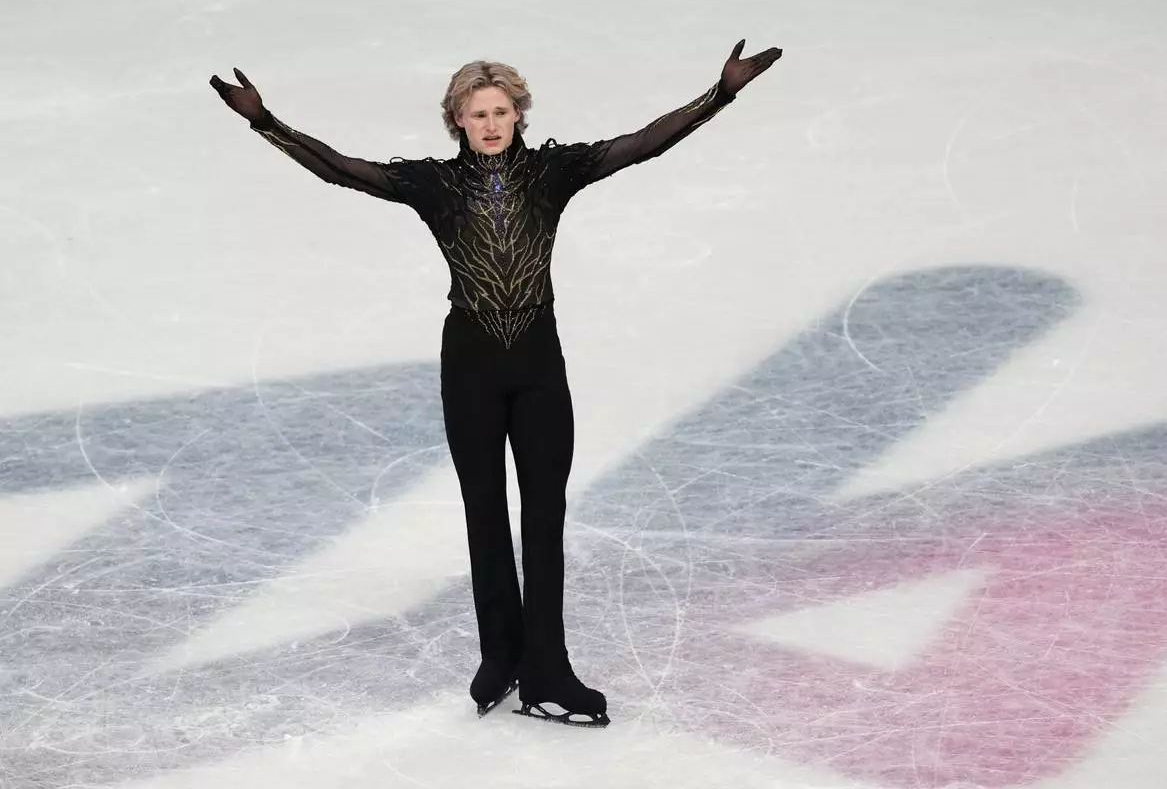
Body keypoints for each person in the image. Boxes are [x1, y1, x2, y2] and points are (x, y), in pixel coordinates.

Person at [210, 39, 782, 728]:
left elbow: (643, 145)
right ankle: (501, 657)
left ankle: (549, 670)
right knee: (485, 517)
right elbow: (342, 171)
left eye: (500, 111)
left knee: (544, 521)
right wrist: (265, 121)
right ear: (457, 119)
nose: (489, 124)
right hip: (471, 367)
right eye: (476, 113)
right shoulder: (434, 185)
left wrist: (719, 94)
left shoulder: (552, 172)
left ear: (519, 115)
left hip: (539, 365)